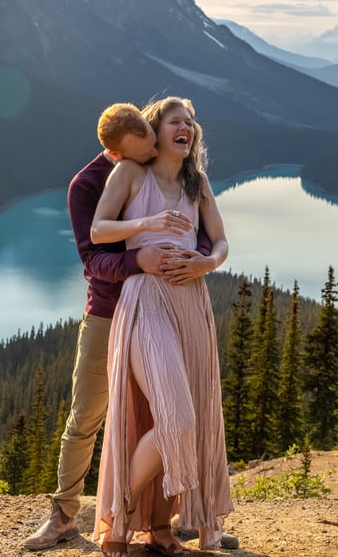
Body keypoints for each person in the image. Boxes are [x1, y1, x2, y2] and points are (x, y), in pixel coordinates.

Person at [23, 103, 217, 552]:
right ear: (117, 152)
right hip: (109, 312)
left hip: (163, 310)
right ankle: (65, 515)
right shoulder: (89, 185)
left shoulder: (160, 168)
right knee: (88, 415)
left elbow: (195, 228)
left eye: (153, 141)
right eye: (145, 146)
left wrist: (196, 254)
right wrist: (139, 261)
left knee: (165, 413)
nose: (153, 151)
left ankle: (160, 522)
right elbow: (93, 256)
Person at [91, 96, 234, 557]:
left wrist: (206, 262)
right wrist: (150, 222)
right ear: (157, 130)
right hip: (146, 299)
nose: (186, 128)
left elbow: (223, 240)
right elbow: (98, 231)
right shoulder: (132, 173)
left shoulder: (199, 183)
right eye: (176, 121)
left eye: (191, 123)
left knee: (183, 421)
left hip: (191, 303)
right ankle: (121, 513)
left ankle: (158, 525)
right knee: (177, 415)